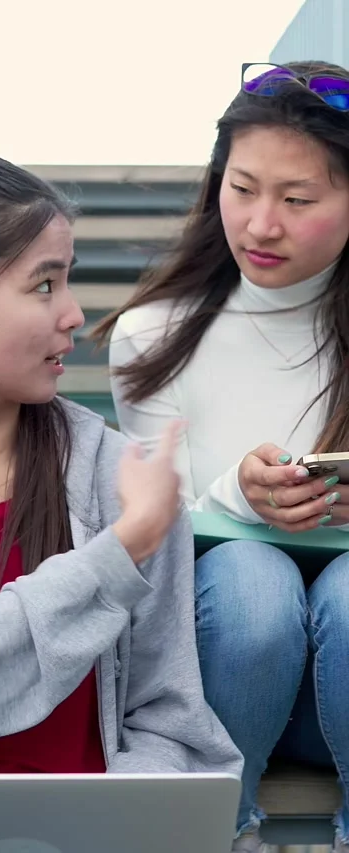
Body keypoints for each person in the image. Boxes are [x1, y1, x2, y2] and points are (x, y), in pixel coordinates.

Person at [0, 155, 242, 781]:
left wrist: (112, 823)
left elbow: (167, 719)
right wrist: (118, 555)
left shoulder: (121, 481)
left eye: (68, 281)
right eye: (44, 285)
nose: (74, 314)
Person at [98, 62, 349, 852]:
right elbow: (148, 531)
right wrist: (241, 496)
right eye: (241, 188)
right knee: (250, 581)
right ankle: (218, 831)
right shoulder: (157, 334)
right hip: (225, 663)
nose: (260, 224)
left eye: (298, 199)